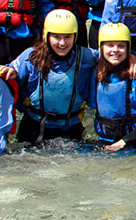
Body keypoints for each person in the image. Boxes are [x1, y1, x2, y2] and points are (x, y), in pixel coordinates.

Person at [9, 9, 98, 143]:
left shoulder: (87, 57)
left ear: (75, 36)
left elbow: (112, 55)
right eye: (56, 37)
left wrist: (131, 58)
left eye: (67, 37)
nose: (62, 43)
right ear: (46, 36)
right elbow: (6, 77)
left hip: (71, 128)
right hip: (34, 127)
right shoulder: (31, 58)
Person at [92, 23, 136, 151]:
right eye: (109, 45)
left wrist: (124, 142)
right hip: (104, 141)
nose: (115, 50)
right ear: (101, 48)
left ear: (128, 49)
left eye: (121, 46)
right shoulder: (96, 72)